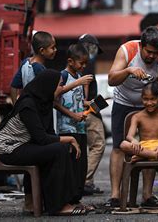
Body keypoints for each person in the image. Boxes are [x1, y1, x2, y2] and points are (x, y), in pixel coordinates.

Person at [0, 69, 87, 216]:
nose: (62, 89)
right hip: (8, 149)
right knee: (58, 150)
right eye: (60, 86)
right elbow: (42, 138)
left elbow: (48, 133)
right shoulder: (28, 105)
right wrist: (70, 138)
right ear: (48, 86)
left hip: (23, 145)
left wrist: (65, 142)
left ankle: (61, 201)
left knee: (61, 148)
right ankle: (57, 206)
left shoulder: (44, 102)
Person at [107, 26, 158, 208]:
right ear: (141, 46)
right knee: (119, 146)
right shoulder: (127, 50)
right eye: (149, 52)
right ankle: (115, 195)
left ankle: (147, 195)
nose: (152, 56)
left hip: (151, 102)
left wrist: (150, 101)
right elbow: (111, 79)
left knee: (151, 146)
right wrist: (128, 71)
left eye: (155, 53)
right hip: (124, 101)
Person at [55, 44, 93, 202]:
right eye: (81, 63)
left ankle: (76, 200)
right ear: (70, 61)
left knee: (81, 166)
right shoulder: (62, 76)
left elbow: (78, 101)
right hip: (66, 129)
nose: (83, 67)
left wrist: (89, 104)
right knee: (70, 165)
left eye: (85, 63)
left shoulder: (79, 77)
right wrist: (72, 114)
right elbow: (54, 99)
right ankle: (67, 200)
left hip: (80, 128)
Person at [78, 34, 106, 195]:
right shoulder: (85, 65)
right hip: (88, 113)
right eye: (94, 49)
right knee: (98, 145)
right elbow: (84, 99)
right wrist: (96, 104)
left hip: (84, 112)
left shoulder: (81, 65)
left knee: (85, 147)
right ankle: (83, 180)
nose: (95, 54)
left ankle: (87, 182)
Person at [10, 31, 57, 98]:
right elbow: (48, 93)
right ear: (42, 51)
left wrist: (15, 106)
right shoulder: (39, 68)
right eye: (52, 48)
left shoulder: (25, 62)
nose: (55, 50)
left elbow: (13, 86)